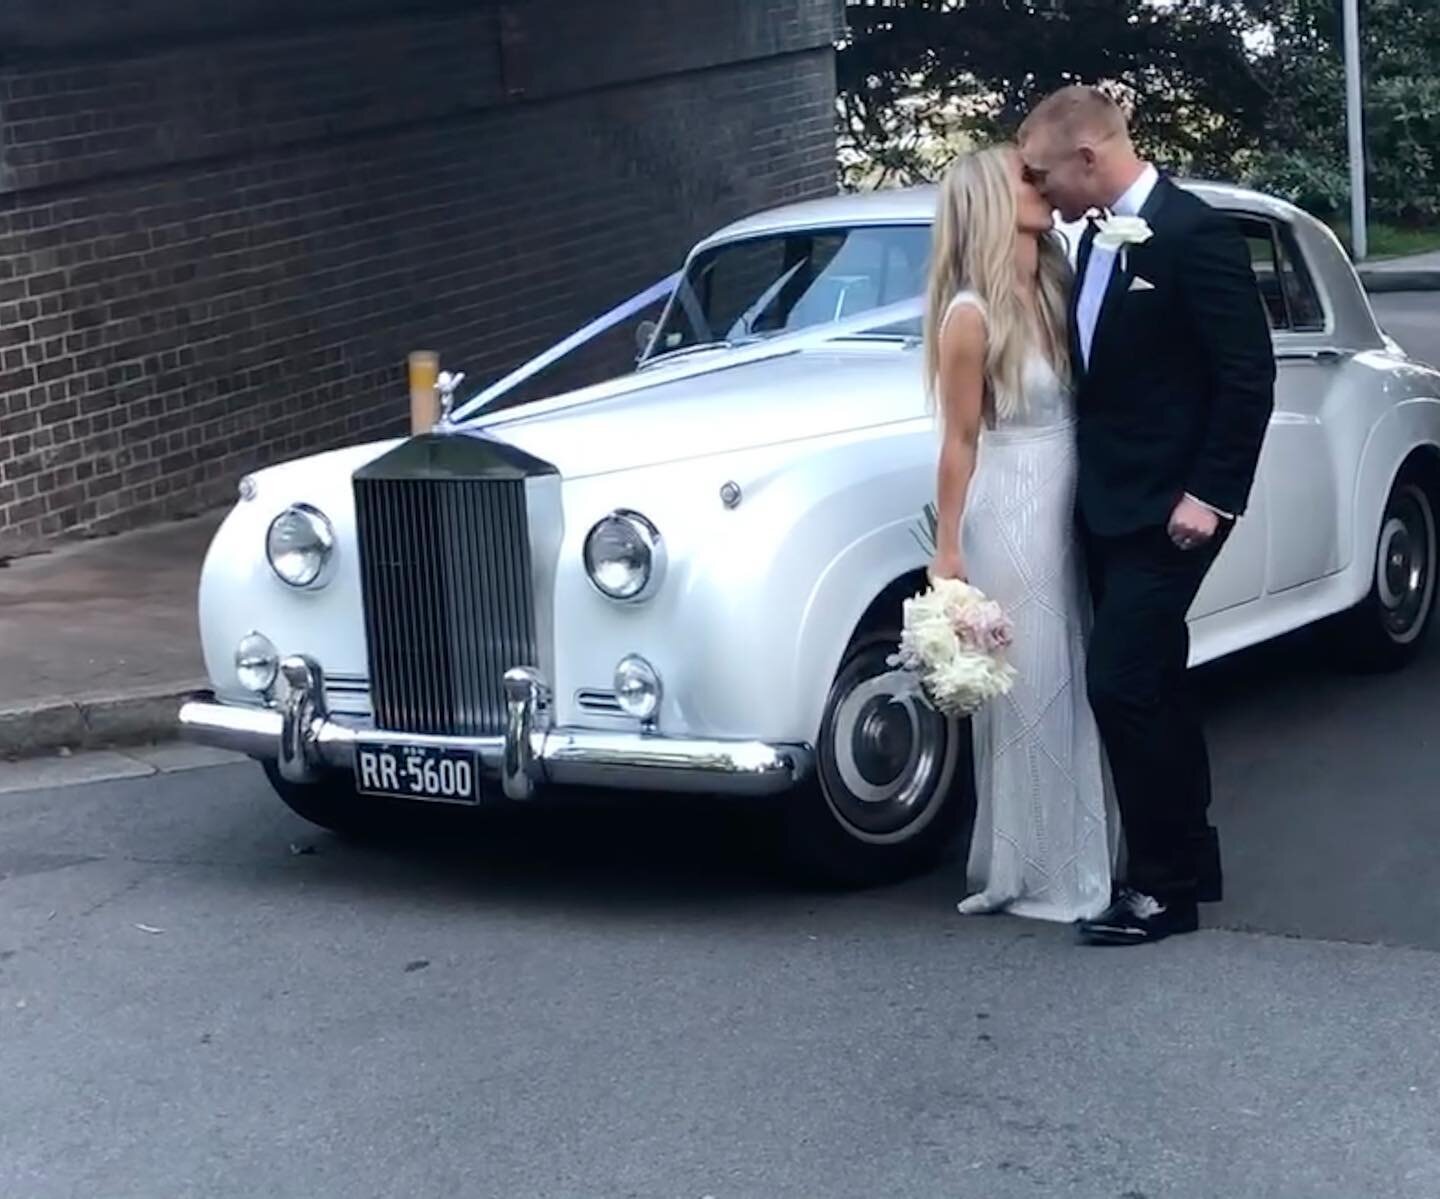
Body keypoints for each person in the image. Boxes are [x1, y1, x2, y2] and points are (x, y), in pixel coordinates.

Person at [1016, 86, 1275, 945]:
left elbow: (1247, 375)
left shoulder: (1194, 233)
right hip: (1108, 503)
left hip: (1177, 508)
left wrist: (1211, 495)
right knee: (1156, 677)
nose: (1038, 186)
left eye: (1043, 171)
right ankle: (1189, 862)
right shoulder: (1088, 241)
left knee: (1119, 680)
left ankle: (1161, 890)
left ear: (1088, 158)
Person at [925, 145, 1118, 924]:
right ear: (989, 205)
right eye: (1022, 179)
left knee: (1079, 671)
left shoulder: (1055, 282)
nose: (1039, 184)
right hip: (1014, 503)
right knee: (1033, 680)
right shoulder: (969, 315)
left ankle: (1080, 850)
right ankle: (1031, 868)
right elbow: (960, 441)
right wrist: (949, 550)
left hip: (1073, 493)